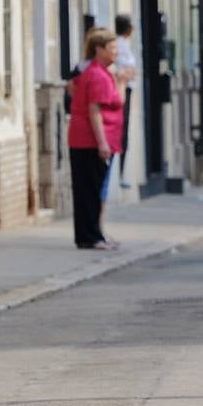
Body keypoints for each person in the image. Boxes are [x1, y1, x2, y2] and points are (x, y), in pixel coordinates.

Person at [68, 28, 123, 251]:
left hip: (85, 139)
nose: (116, 53)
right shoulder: (98, 75)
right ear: (99, 50)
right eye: (112, 48)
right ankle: (90, 236)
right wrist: (102, 143)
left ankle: (91, 234)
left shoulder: (96, 72)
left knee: (88, 190)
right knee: (90, 191)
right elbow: (94, 110)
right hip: (90, 141)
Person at [114, 15, 138, 189]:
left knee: (124, 133)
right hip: (122, 90)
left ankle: (120, 171)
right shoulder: (119, 46)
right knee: (121, 131)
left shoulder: (124, 45)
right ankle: (118, 172)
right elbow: (125, 70)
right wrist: (129, 73)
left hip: (126, 88)